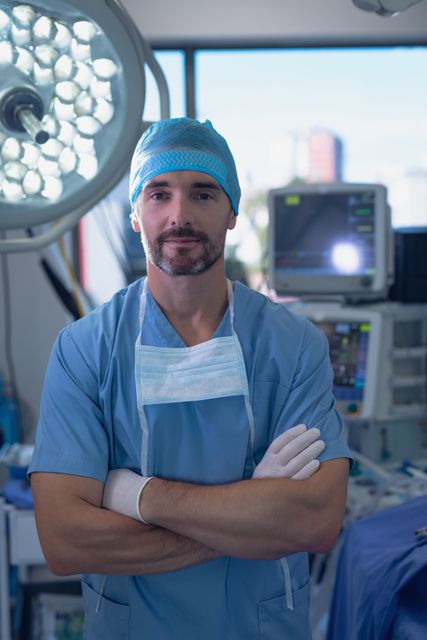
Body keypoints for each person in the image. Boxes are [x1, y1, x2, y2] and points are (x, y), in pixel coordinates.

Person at [29, 117, 352, 640]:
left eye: (202, 193)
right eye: (158, 194)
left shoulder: (293, 346)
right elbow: (65, 542)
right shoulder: (85, 351)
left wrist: (135, 496)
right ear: (136, 214)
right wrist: (252, 513)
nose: (179, 215)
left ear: (230, 212)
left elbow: (315, 522)